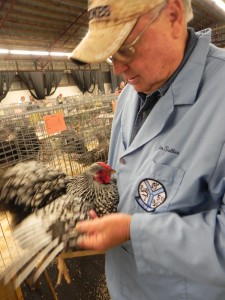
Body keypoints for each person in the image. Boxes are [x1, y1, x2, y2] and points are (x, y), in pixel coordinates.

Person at [70, 0, 225, 299]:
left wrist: (135, 231)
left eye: (125, 48)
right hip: (125, 286)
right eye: (109, 57)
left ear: (173, 15)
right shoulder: (130, 95)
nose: (117, 69)